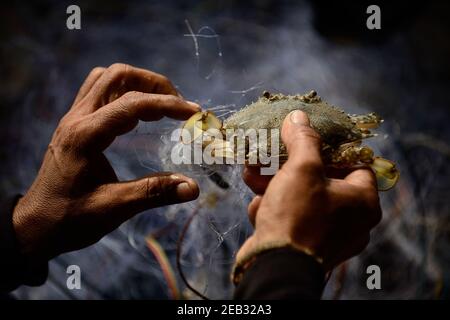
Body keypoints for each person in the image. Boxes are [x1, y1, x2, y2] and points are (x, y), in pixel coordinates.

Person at [0, 64, 381, 299]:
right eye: (271, 99)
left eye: (305, 101)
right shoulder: (218, 136)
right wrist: (288, 257)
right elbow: (202, 133)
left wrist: (17, 233)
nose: (288, 105)